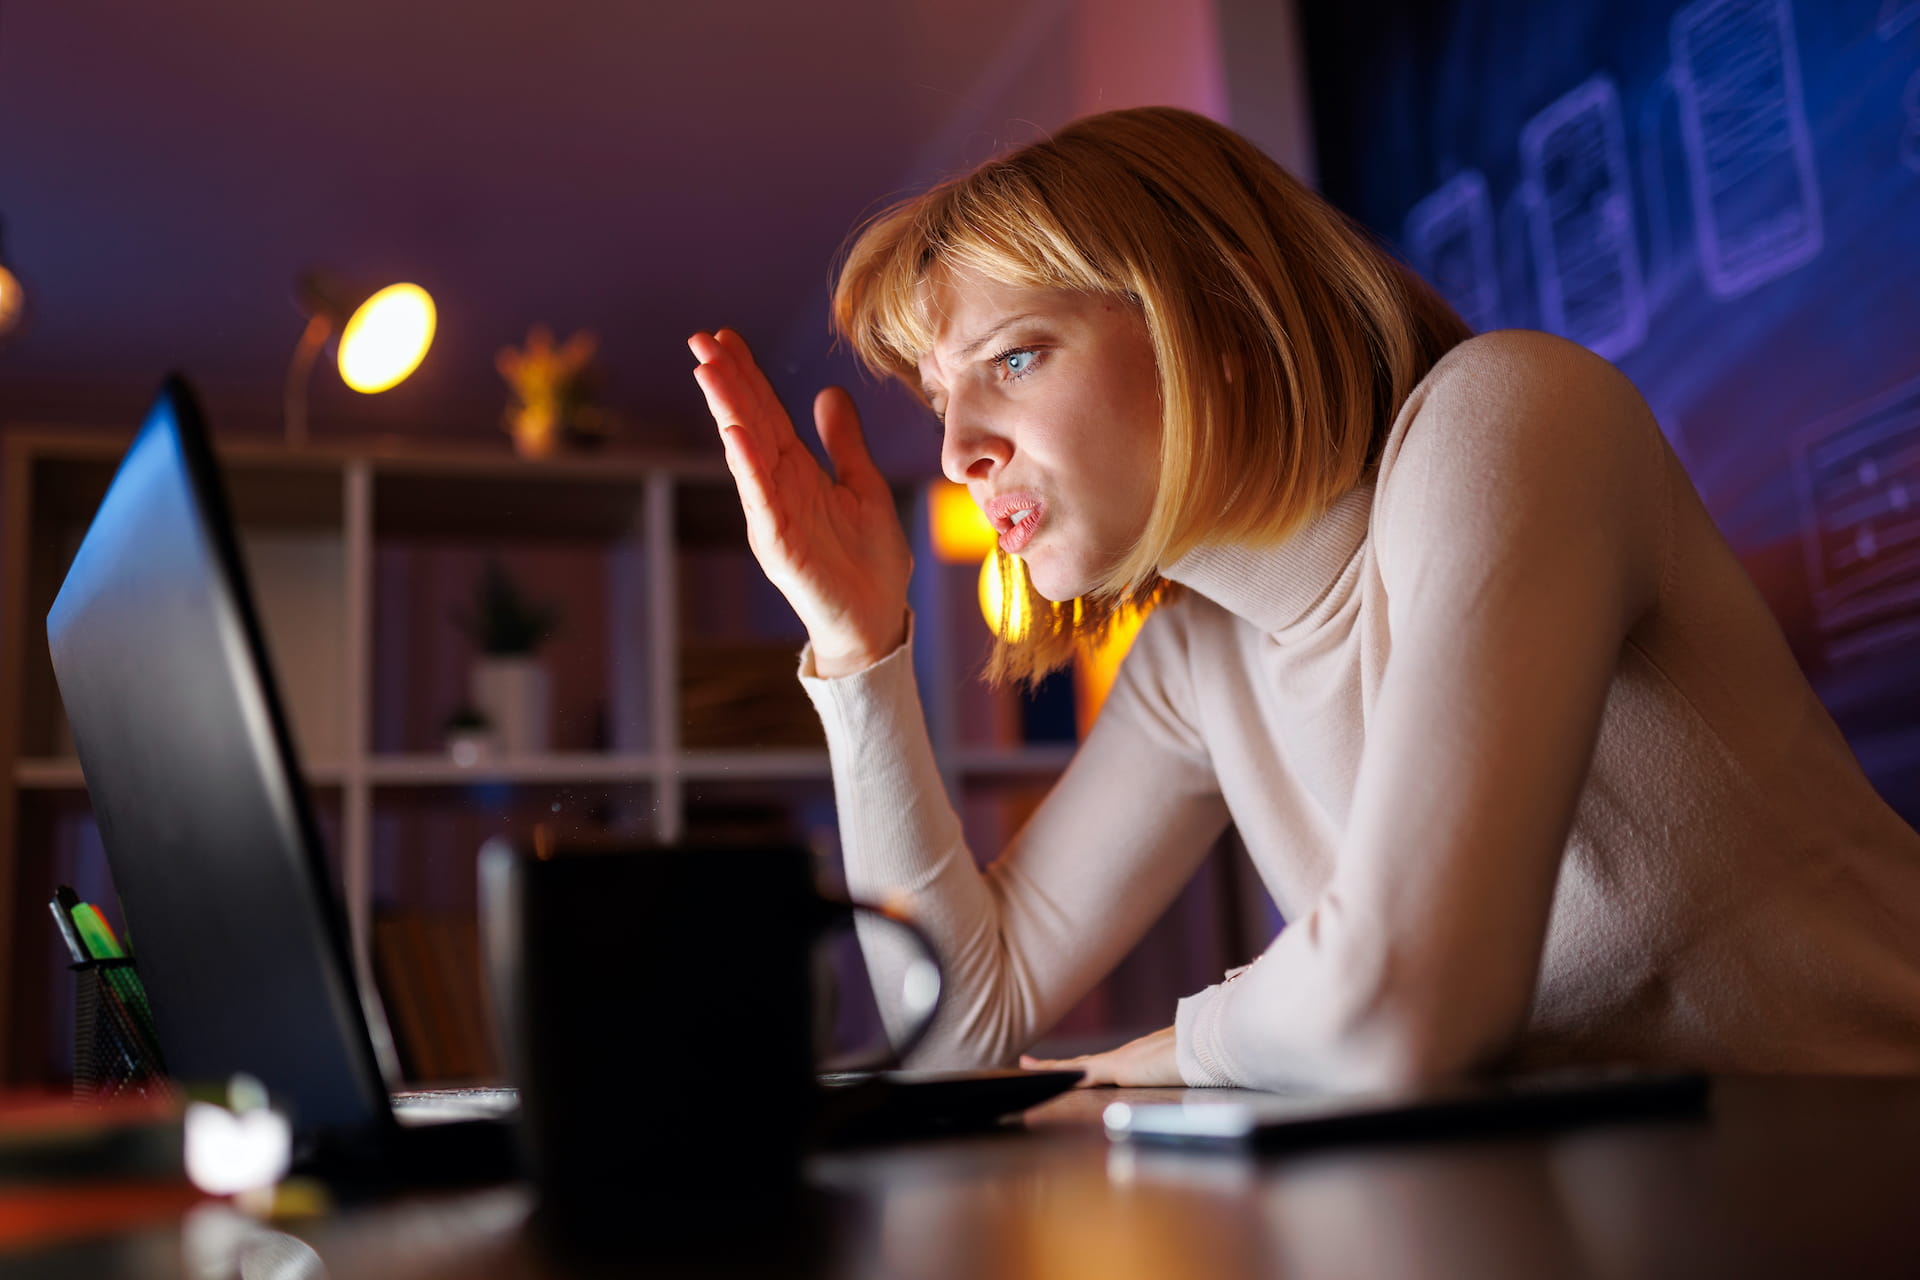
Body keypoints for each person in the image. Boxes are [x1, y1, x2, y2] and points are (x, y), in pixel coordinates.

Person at [687, 106, 1920, 1092]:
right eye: (941, 397)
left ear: (1213, 316)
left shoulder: (1512, 417)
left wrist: (1153, 1059)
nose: (958, 451)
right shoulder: (1194, 658)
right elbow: (955, 1027)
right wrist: (858, 645)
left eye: (1013, 357)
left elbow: (1402, 1005)